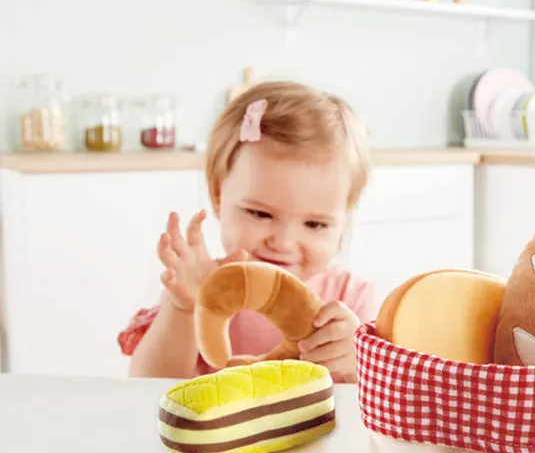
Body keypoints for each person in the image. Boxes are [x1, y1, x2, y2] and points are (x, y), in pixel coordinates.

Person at [118, 80, 376, 383]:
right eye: (260, 214)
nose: (283, 243)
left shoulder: (352, 304)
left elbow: (379, 407)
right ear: (218, 197)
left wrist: (354, 364)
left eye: (315, 224)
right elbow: (149, 387)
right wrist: (182, 308)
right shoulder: (200, 288)